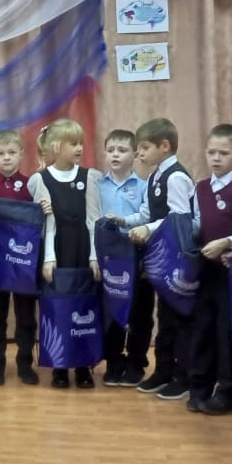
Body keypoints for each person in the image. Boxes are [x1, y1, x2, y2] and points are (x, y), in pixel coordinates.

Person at [28, 118, 101, 389]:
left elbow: (93, 220)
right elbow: (47, 224)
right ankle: (59, 365)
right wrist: (48, 258)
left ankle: (83, 366)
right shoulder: (40, 180)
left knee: (83, 306)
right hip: (58, 251)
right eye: (73, 143)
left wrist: (94, 256)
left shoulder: (89, 177)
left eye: (81, 143)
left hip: (81, 249)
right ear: (56, 147)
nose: (79, 148)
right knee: (57, 307)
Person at [188, 123, 232, 414]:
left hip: (231, 273)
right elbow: (196, 223)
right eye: (211, 152)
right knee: (202, 329)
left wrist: (227, 242)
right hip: (205, 271)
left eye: (223, 153)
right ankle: (199, 388)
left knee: (228, 332)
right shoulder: (201, 187)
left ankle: (229, 393)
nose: (216, 158)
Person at [127, 117, 195, 399]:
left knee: (178, 317)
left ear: (164, 146)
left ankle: (184, 375)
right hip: (160, 256)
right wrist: (125, 222)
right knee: (164, 316)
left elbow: (179, 218)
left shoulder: (176, 177)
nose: (139, 153)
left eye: (144, 147)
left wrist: (149, 229)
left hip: (177, 258)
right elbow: (146, 213)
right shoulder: (154, 176)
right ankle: (163, 370)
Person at [0, 129, 41, 386]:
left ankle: (25, 364)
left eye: (11, 152)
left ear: (21, 154)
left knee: (26, 315)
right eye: (1, 153)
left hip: (23, 262)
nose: (6, 157)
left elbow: (38, 222)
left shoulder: (31, 185)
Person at [95, 128, 146, 386]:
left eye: (122, 150)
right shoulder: (97, 186)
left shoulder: (143, 186)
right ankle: (114, 361)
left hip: (135, 252)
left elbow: (148, 218)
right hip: (107, 255)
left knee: (138, 311)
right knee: (111, 310)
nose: (115, 154)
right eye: (111, 150)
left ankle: (136, 362)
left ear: (135, 154)